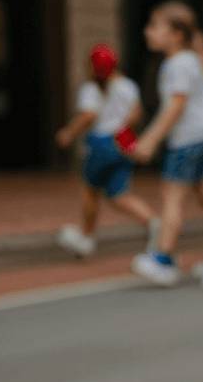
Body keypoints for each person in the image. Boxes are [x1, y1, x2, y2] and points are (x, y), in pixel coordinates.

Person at [130, 2, 203, 286]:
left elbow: (176, 106)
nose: (147, 32)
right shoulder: (190, 60)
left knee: (172, 197)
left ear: (175, 34)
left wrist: (149, 139)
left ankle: (162, 257)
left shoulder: (177, 64)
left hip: (189, 138)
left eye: (154, 26)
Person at [55, 44, 157, 258]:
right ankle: (154, 222)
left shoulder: (91, 88)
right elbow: (136, 114)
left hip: (101, 143)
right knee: (119, 194)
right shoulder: (128, 86)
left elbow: (88, 116)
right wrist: (123, 130)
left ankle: (87, 237)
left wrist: (68, 133)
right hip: (123, 141)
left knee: (91, 191)